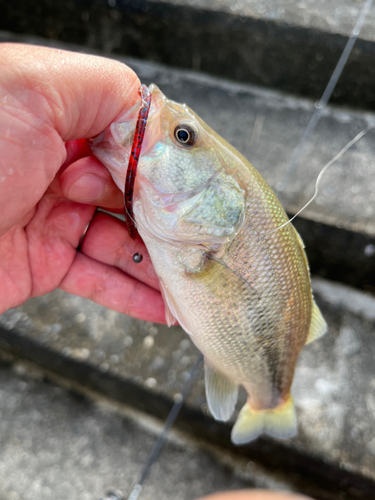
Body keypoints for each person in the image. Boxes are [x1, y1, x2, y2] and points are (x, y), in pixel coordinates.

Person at [0, 43, 312, 500]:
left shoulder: (210, 240)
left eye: (182, 137)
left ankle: (269, 399)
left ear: (225, 205)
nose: (173, 131)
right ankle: (270, 400)